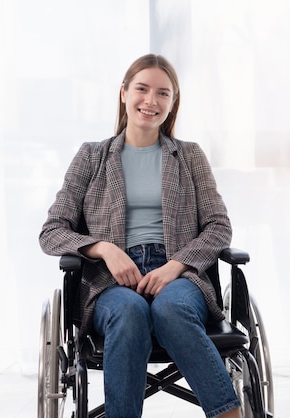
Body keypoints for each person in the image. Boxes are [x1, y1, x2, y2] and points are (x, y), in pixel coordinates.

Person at [39, 54, 241, 418]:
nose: (151, 101)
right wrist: (104, 249)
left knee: (172, 308)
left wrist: (175, 266)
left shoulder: (190, 156)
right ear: (123, 93)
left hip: (179, 276)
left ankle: (229, 414)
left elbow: (218, 226)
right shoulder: (91, 157)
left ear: (172, 103)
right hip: (109, 282)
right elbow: (52, 231)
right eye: (142, 89)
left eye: (163, 93)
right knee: (129, 311)